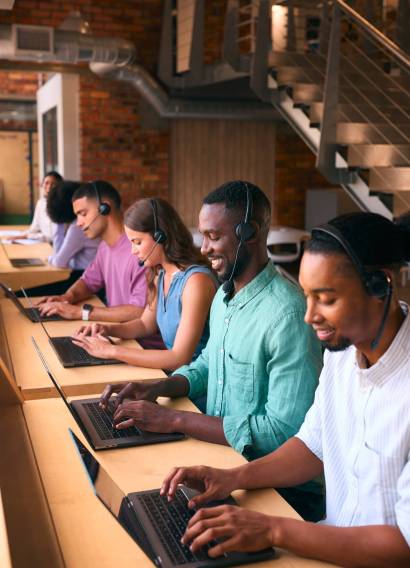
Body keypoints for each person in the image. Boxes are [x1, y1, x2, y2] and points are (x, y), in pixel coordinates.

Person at [159, 212, 410, 568]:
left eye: (326, 299)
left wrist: (274, 530)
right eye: (307, 296)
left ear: (380, 285)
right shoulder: (342, 354)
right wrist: (231, 478)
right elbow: (311, 446)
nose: (309, 316)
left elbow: (404, 545)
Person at [100, 181, 323, 520]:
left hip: (279, 492)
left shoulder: (288, 315)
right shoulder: (223, 296)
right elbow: (208, 363)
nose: (203, 248)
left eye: (214, 237)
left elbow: (283, 433)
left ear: (250, 232)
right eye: (202, 236)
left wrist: (175, 419)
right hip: (221, 464)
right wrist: (159, 387)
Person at [72, 198, 217, 371]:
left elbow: (179, 358)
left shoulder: (196, 282)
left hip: (195, 384)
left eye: (137, 242)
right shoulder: (160, 274)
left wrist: (111, 350)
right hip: (176, 376)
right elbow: (144, 324)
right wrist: (107, 329)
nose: (133, 251)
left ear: (160, 236)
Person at [37, 181, 150, 326]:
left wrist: (80, 312)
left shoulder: (138, 249)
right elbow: (88, 281)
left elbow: (139, 311)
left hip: (140, 344)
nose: (78, 223)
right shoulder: (104, 247)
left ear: (105, 208)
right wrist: (67, 297)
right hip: (116, 332)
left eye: (83, 214)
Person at [21, 171, 63, 242]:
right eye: (46, 183)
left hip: (54, 245)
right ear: (42, 185)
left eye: (53, 184)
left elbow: (52, 236)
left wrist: (27, 236)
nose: (49, 187)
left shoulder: (61, 205)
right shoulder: (40, 203)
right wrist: (22, 235)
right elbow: (35, 227)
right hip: (42, 242)